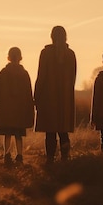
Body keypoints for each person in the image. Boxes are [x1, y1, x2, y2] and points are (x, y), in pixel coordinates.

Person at [34, 26, 77, 165]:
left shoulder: (46, 53)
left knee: (50, 132)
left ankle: (50, 159)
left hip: (49, 97)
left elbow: (41, 76)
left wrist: (37, 96)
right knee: (63, 131)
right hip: (65, 99)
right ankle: (65, 158)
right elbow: (73, 78)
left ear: (51, 36)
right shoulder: (70, 54)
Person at [0, 47, 34, 166]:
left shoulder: (3, 73)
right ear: (20, 58)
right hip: (20, 111)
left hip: (7, 111)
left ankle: (7, 154)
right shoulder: (24, 74)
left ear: (8, 57)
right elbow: (28, 93)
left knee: (7, 133)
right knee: (19, 134)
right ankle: (19, 155)